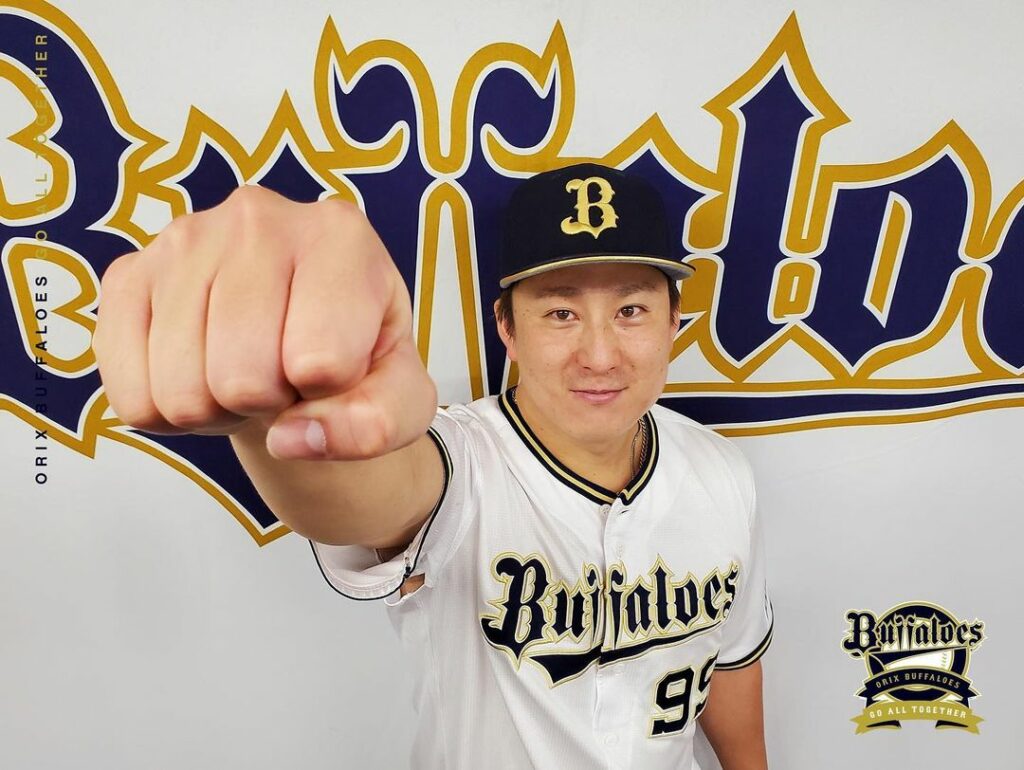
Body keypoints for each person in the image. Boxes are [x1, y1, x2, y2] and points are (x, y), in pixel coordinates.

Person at [93, 162, 772, 769]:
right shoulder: (462, 461)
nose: (600, 355)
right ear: (507, 328)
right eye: (561, 312)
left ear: (673, 322)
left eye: (631, 310)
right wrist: (272, 408)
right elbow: (372, 496)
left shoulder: (721, 471)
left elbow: (730, 658)